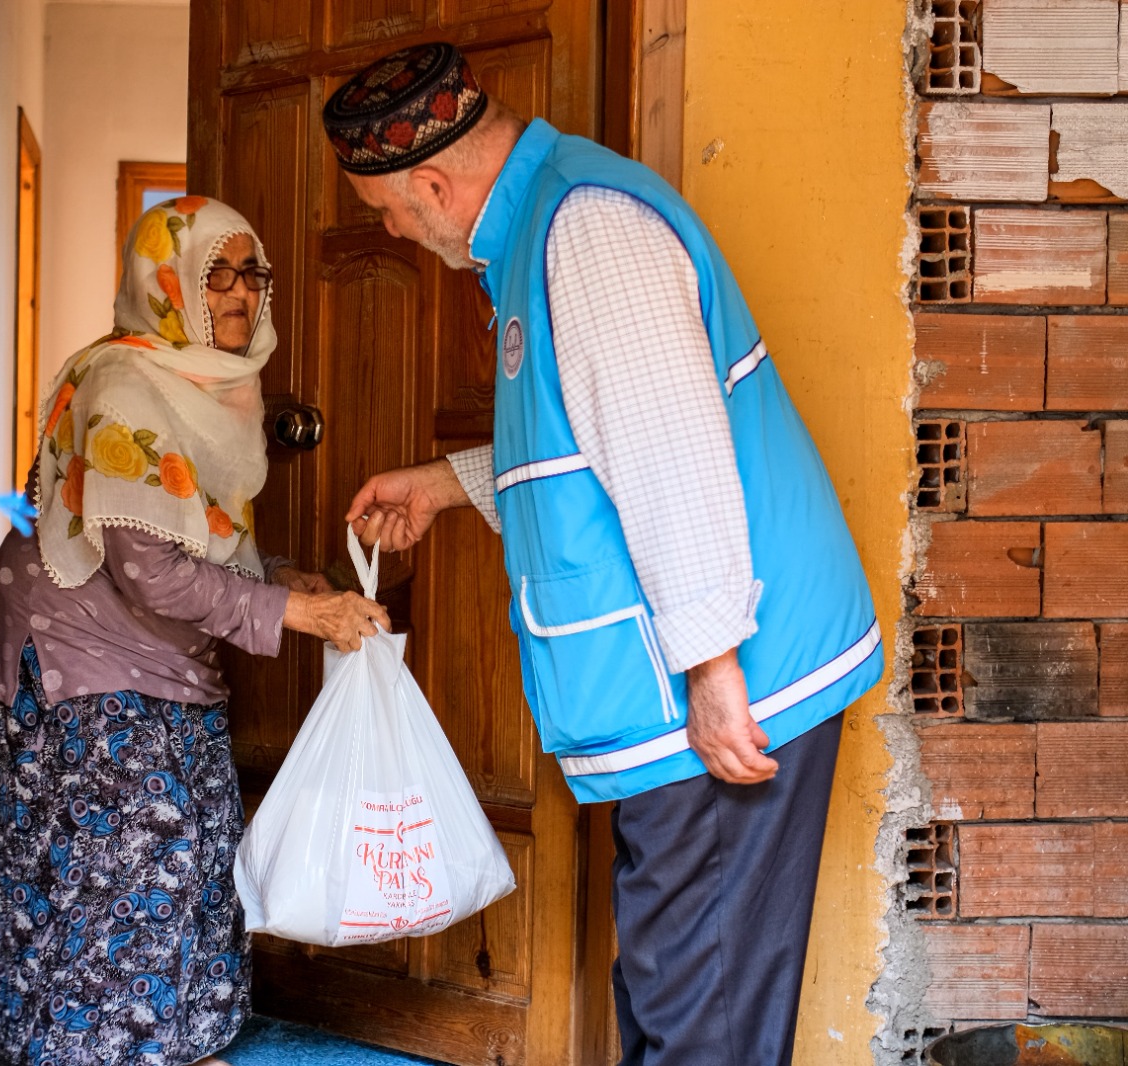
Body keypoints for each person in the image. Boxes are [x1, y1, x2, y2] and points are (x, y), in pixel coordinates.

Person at [321, 44, 884, 1066]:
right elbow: (593, 443)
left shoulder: (584, 229)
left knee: (698, 1014)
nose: (391, 231)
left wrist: (714, 669)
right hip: (681, 680)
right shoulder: (543, 226)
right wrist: (447, 485)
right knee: (678, 983)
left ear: (432, 185)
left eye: (386, 211)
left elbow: (669, 459)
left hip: (728, 683)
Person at [0, 198, 390, 1066]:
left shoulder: (211, 384)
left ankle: (174, 1042)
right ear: (166, 284)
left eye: (253, 273)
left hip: (154, 648)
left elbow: (195, 533)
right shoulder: (126, 385)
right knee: (123, 861)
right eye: (217, 274)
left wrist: (277, 576)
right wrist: (301, 615)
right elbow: (150, 569)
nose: (241, 293)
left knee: (192, 852)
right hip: (83, 655)